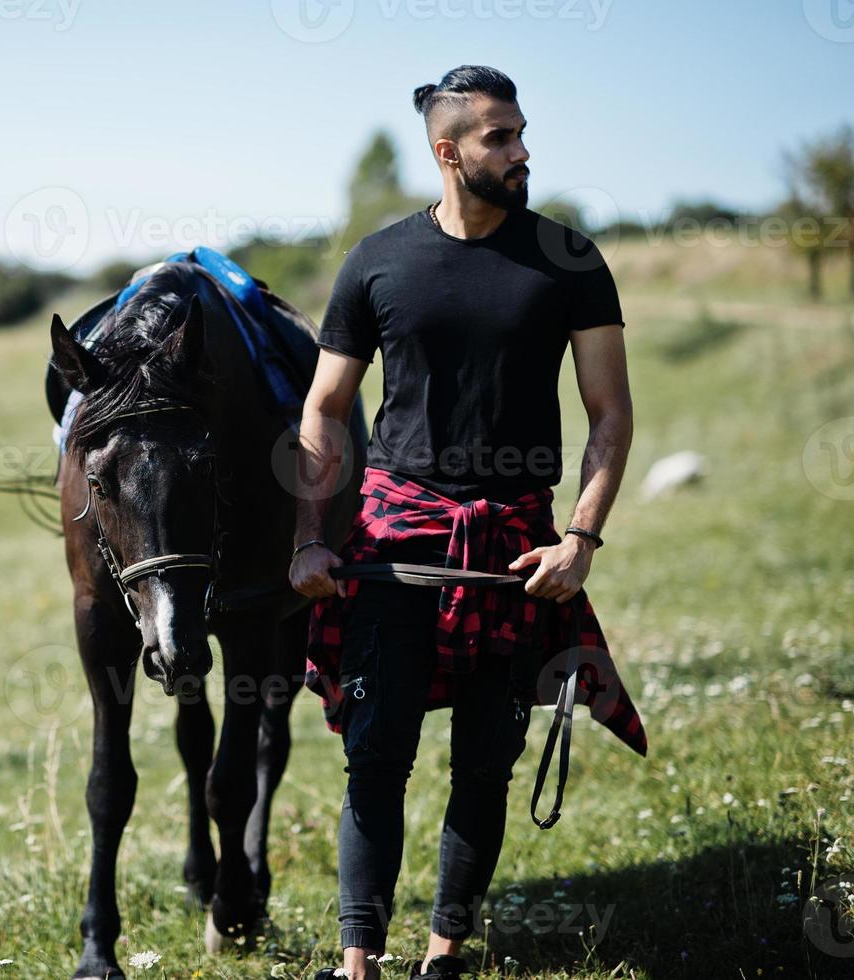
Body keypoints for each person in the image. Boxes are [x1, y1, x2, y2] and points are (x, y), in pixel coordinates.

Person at [289, 65, 635, 980]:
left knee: (485, 763)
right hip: (391, 543)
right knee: (377, 756)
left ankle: (444, 956)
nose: (521, 152)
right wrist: (309, 536)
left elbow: (609, 412)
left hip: (517, 547)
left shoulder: (568, 260)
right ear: (448, 152)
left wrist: (579, 540)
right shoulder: (375, 261)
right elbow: (325, 409)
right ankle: (357, 962)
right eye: (500, 137)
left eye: (521, 133)